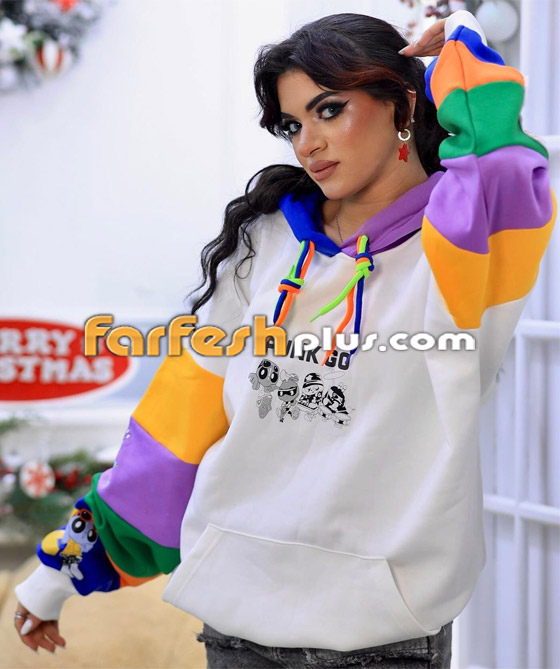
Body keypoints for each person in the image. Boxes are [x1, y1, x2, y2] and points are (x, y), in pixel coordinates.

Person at [13, 8, 556, 669]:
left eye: (329, 110)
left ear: (403, 104)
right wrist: (61, 569)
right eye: (294, 124)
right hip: (237, 627)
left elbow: (506, 168)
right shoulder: (264, 242)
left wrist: (463, 41)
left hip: (383, 638)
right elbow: (179, 424)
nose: (308, 144)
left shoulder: (464, 249)